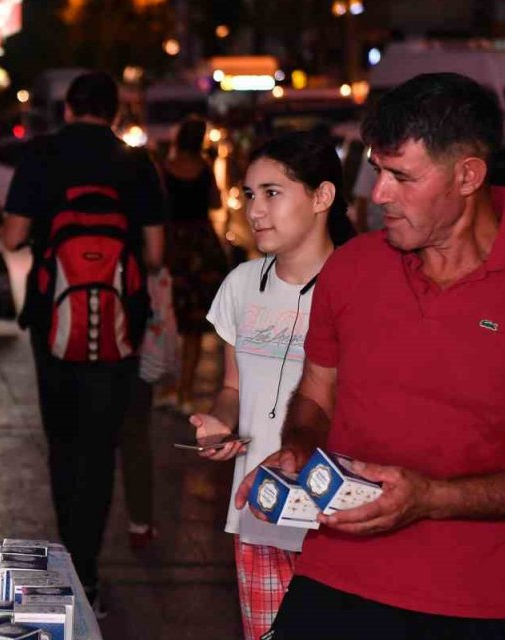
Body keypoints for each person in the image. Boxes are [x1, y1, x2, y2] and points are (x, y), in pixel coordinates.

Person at [234, 73, 505, 638]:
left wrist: (432, 499)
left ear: (468, 175)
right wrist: (298, 448)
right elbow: (316, 393)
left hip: (475, 607)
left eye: (401, 176)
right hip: (330, 581)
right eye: (377, 171)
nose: (379, 194)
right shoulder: (351, 267)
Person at [2, 70, 168, 614]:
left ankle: (70, 561)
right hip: (120, 327)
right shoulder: (137, 163)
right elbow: (155, 255)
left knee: (63, 444)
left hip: (53, 320)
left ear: (68, 109)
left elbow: (13, 236)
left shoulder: (41, 155)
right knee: (101, 447)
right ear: (115, 113)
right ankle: (88, 573)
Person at [190, 132, 355, 639]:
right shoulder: (241, 284)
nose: (255, 210)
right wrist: (221, 423)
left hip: (335, 519)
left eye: (272, 193)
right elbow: (233, 388)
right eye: (250, 195)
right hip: (258, 509)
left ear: (322, 197)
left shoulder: (360, 289)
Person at [160, 116, 228, 414]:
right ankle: (186, 391)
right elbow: (216, 203)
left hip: (174, 247)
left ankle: (171, 388)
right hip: (202, 248)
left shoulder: (165, 169)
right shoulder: (204, 169)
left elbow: (160, 207)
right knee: (194, 326)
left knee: (170, 321)